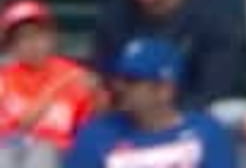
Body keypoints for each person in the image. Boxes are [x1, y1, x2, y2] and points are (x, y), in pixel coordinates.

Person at [91, 0, 246, 129]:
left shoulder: (214, 11)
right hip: (134, 116)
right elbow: (108, 80)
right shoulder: (114, 15)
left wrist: (165, 119)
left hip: (202, 116)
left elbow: (217, 87)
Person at [63, 40, 233, 168]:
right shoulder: (95, 135)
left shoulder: (206, 131)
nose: (119, 87)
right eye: (117, 78)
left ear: (164, 90)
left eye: (131, 80)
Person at [0, 0, 99, 168]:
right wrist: (55, 89)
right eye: (21, 38)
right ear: (10, 47)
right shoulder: (4, 80)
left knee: (43, 152)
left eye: (38, 34)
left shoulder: (76, 76)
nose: (31, 43)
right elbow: (17, 129)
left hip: (61, 156)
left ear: (52, 36)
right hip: (11, 154)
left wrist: (96, 94)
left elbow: (89, 132)